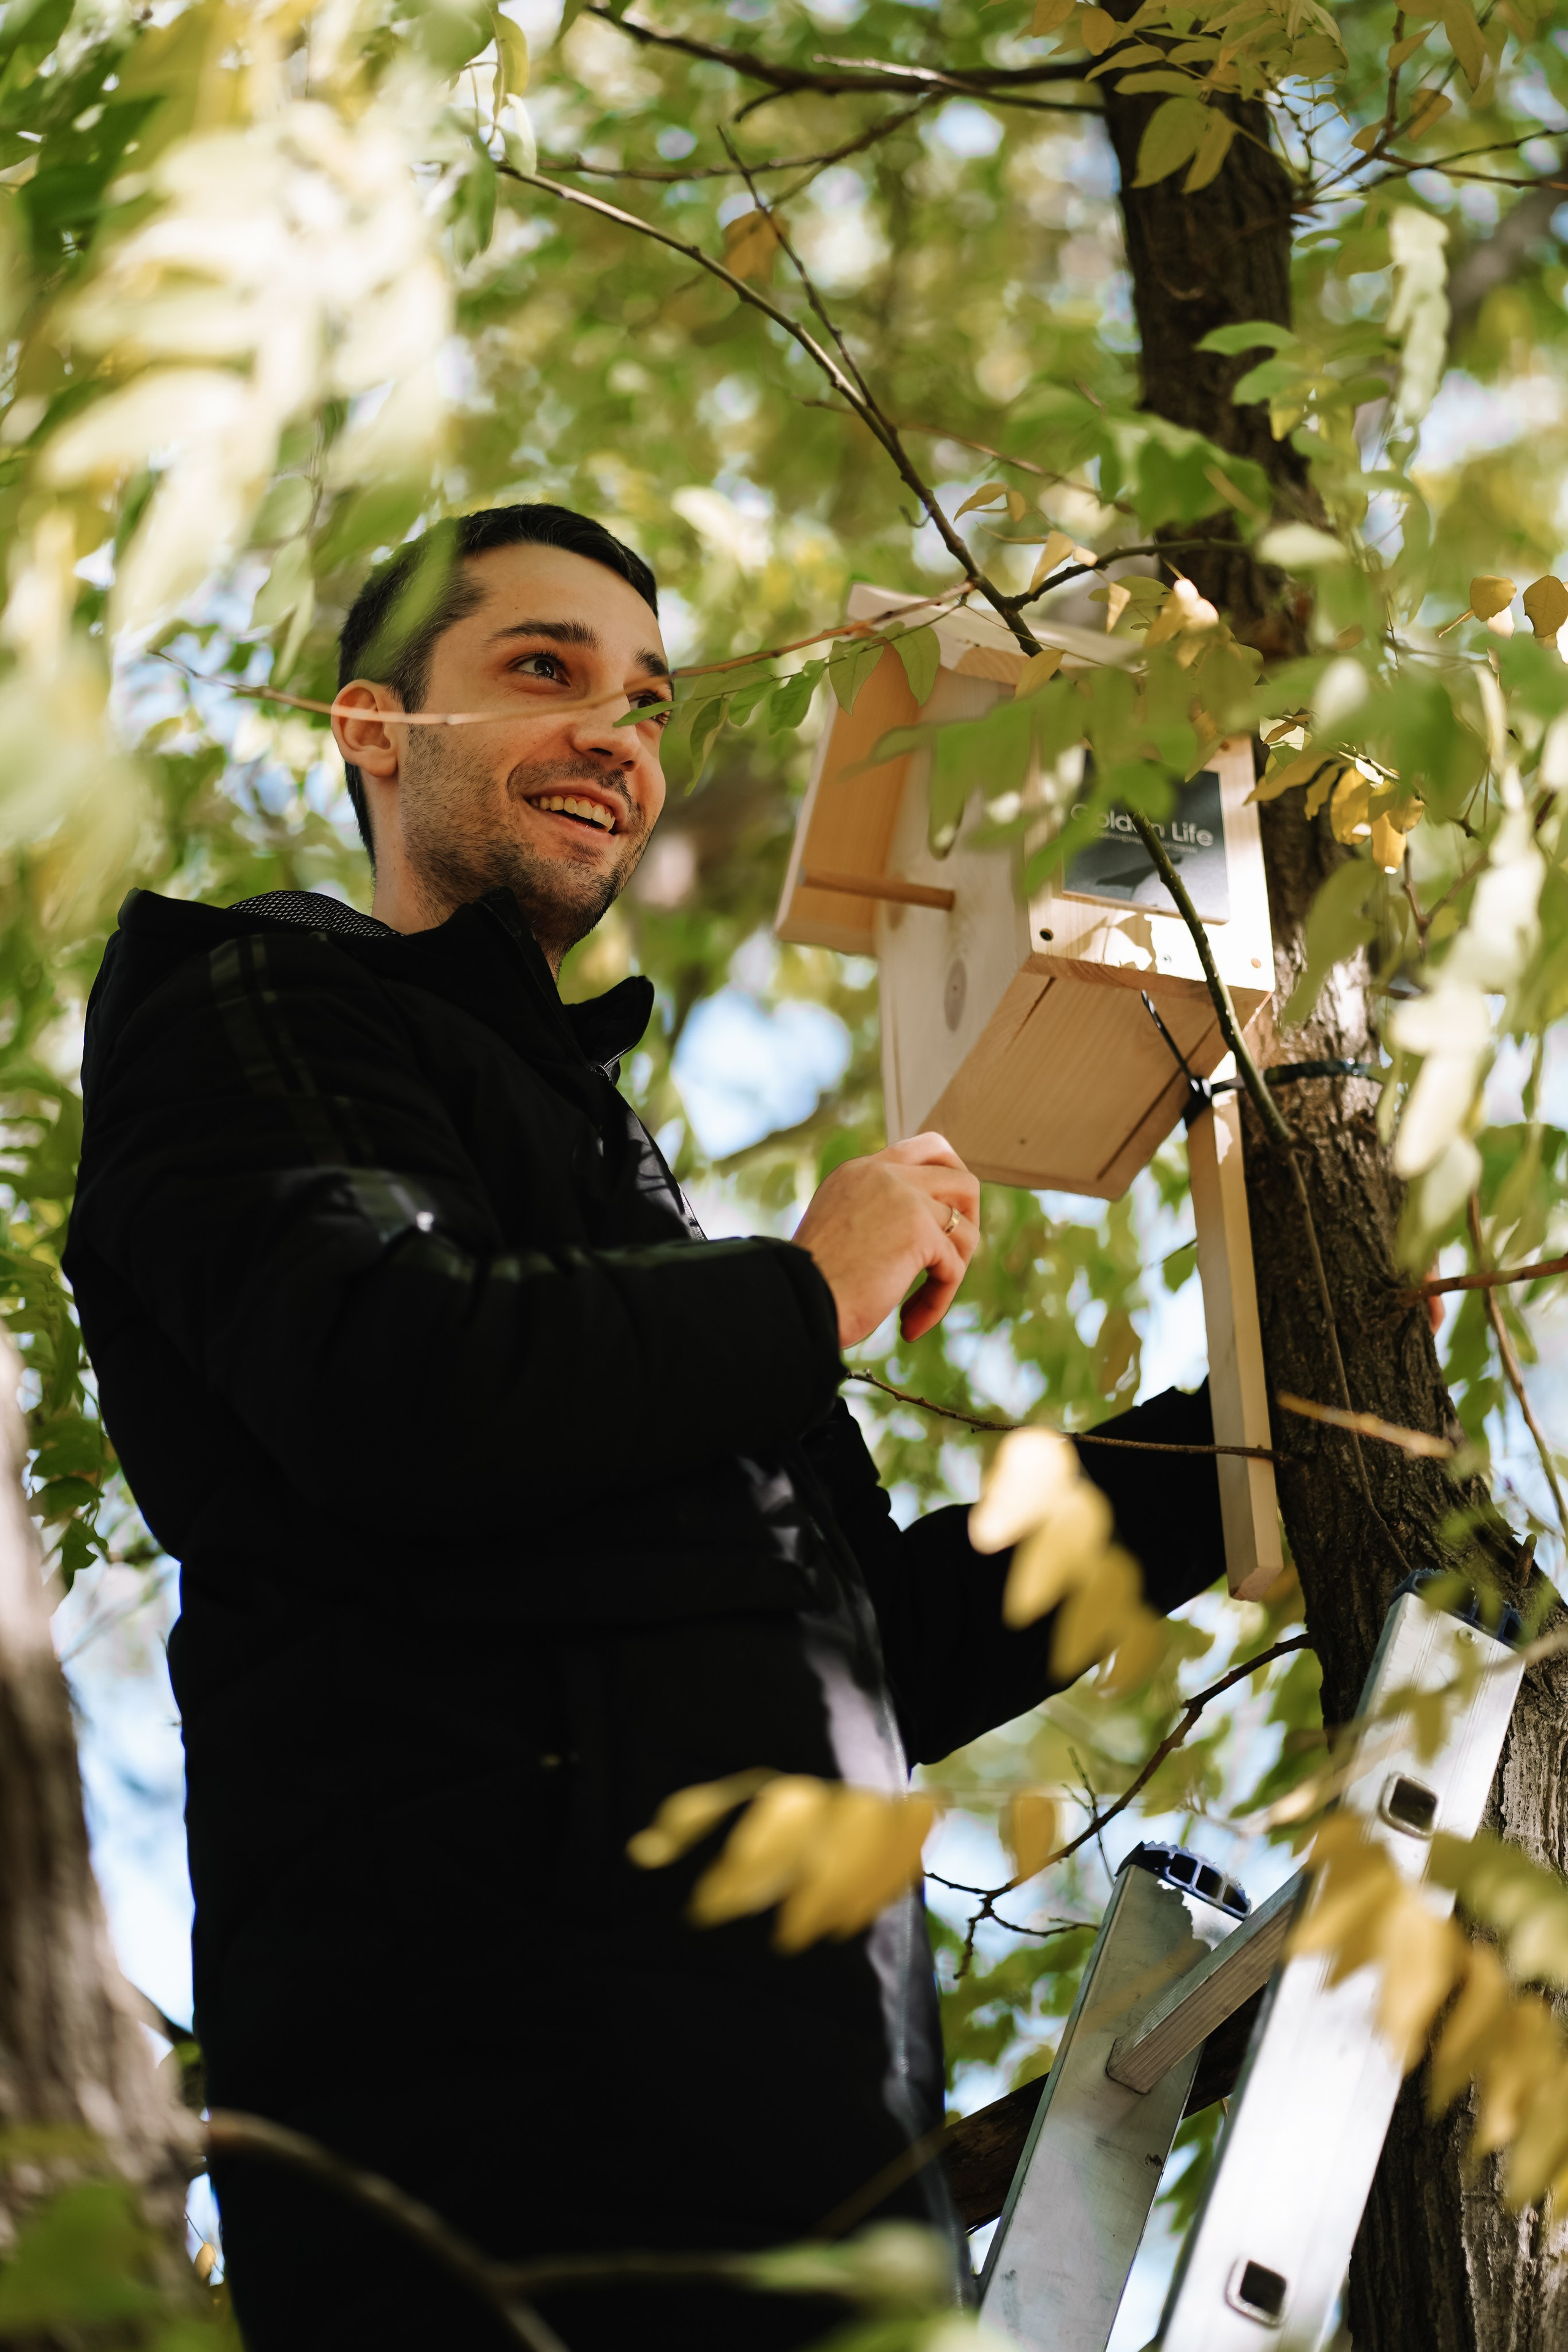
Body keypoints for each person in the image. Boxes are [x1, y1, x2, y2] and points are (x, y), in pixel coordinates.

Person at [66, 503, 1226, 2350]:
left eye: (649, 698)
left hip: (813, 2133)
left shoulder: (618, 1182)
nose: (618, 730)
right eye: (544, 669)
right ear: (376, 730)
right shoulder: (251, 995)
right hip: (501, 2128)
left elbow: (876, 1641)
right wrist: (805, 1287)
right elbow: (394, 1378)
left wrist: (1225, 1462)